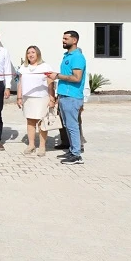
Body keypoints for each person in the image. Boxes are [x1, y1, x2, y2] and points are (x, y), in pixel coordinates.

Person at [47, 31, 86, 165]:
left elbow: (77, 78)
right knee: (68, 126)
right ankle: (72, 150)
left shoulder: (77, 57)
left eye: (66, 38)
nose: (63, 41)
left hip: (72, 97)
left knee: (72, 126)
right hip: (64, 96)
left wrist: (57, 76)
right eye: (63, 38)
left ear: (74, 40)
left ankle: (76, 155)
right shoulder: (67, 56)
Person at [16, 46, 56, 156]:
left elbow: (50, 83)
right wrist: (19, 97)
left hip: (41, 98)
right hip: (28, 98)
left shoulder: (45, 66)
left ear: (38, 53)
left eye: (33, 52)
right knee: (30, 122)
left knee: (42, 122)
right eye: (28, 52)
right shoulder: (23, 68)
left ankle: (42, 146)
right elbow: (20, 83)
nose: (30, 54)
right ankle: (31, 145)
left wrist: (52, 98)